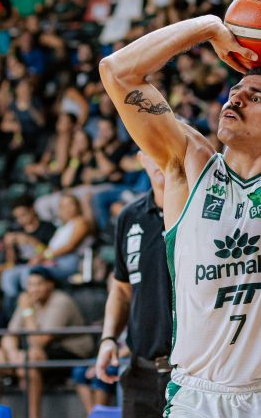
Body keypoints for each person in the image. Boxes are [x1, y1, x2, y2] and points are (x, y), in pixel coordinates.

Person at [99, 2, 261, 415]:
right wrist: (209, 27)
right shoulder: (188, 164)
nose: (237, 100)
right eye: (235, 93)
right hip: (196, 396)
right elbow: (117, 72)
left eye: (255, 97)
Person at [95, 151, 172, 418]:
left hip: (193, 377)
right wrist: (108, 338)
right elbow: (121, 289)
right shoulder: (130, 216)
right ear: (141, 158)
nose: (161, 156)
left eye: (167, 146)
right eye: (154, 149)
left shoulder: (204, 212)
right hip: (141, 372)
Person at [0, 267, 94, 418]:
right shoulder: (27, 300)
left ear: (50, 285)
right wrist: (13, 355)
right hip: (34, 353)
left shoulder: (60, 301)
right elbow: (9, 336)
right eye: (30, 285)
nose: (33, 289)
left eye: (38, 284)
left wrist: (27, 311)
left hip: (70, 353)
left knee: (30, 360)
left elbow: (39, 341)